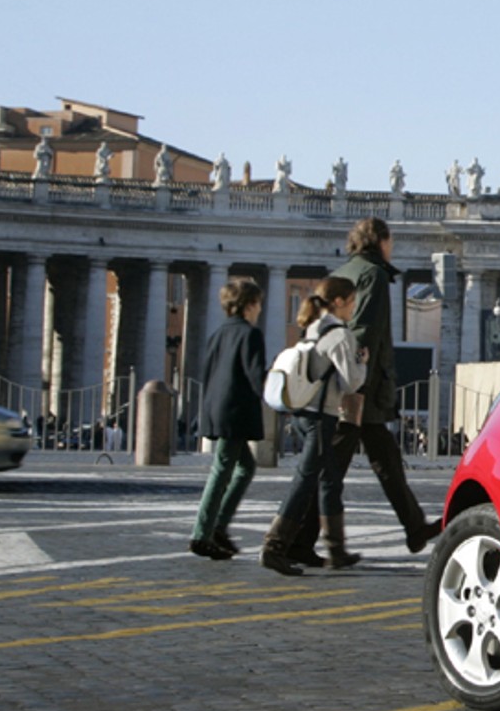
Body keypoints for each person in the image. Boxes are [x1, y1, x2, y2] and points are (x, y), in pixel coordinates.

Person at [328, 218, 441, 552]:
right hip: (362, 388)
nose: (393, 249)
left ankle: (415, 527)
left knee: (387, 460)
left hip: (351, 385)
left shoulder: (343, 272)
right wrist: (357, 381)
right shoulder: (373, 275)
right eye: (391, 241)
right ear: (379, 241)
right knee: (330, 468)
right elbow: (365, 332)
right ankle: (290, 538)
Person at [259, 276, 368, 576]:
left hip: (303, 413)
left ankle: (321, 549)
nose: (354, 308)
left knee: (328, 478)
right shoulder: (340, 335)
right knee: (306, 479)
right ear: (339, 302)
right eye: (352, 302)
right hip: (322, 416)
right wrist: (363, 362)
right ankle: (275, 545)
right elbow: (352, 382)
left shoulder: (312, 329)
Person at [188, 278, 268, 559]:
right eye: (258, 303)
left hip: (217, 407)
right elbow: (256, 376)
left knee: (245, 467)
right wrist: (280, 395)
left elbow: (208, 371)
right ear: (249, 305)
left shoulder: (219, 333)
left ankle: (219, 526)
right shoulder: (250, 335)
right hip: (235, 411)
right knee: (222, 469)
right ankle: (203, 532)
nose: (260, 309)